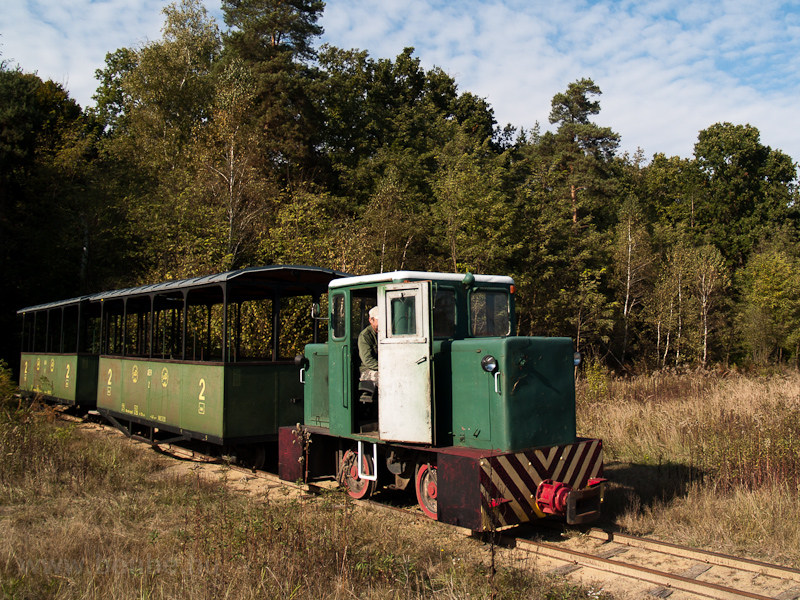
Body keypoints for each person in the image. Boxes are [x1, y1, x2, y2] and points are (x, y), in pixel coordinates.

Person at [358, 306, 379, 383]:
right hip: (367, 370)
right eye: (378, 320)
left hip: (382, 367)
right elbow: (368, 360)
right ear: (371, 320)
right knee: (384, 377)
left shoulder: (385, 333)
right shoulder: (365, 336)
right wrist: (384, 367)